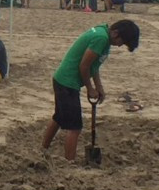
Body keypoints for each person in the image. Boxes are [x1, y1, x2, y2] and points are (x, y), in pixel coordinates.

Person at [42, 20, 140, 162]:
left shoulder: (104, 35)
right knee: (75, 127)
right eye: (121, 42)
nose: (119, 45)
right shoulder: (101, 39)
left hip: (63, 80)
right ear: (115, 33)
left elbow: (94, 66)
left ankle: (43, 149)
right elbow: (84, 66)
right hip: (67, 82)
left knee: (59, 117)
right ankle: (69, 162)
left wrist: (98, 87)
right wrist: (90, 89)